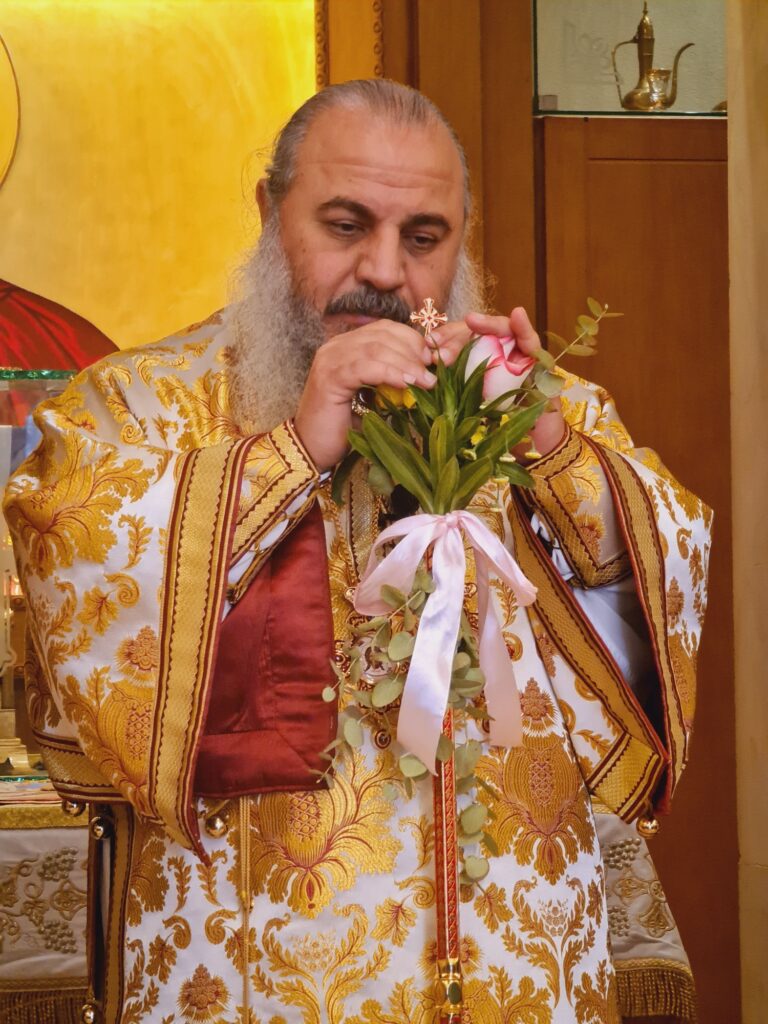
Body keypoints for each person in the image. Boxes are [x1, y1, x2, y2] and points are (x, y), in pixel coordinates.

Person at [4, 80, 709, 1024]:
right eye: (345, 225)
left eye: (425, 237)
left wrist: (551, 453)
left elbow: (661, 598)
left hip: (518, 965)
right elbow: (83, 587)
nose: (384, 270)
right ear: (270, 210)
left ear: (464, 236)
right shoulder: (137, 407)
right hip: (248, 970)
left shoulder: (541, 411)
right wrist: (292, 452)